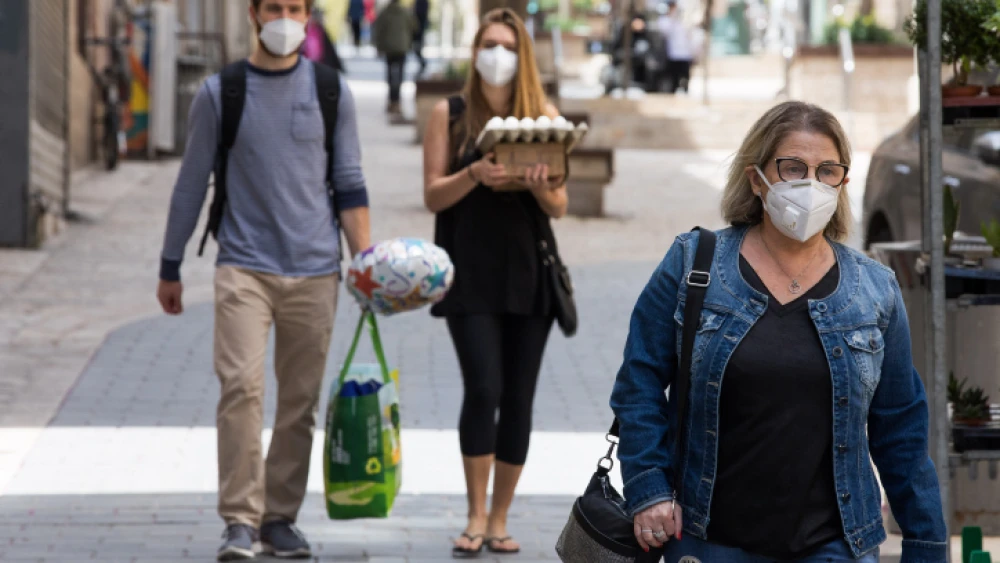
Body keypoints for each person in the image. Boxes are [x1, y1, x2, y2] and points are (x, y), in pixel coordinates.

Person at [609, 101, 947, 563]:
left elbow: (901, 429)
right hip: (709, 541)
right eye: (792, 168)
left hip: (833, 546)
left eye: (827, 170)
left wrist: (926, 545)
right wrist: (648, 489)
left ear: (843, 183)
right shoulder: (693, 266)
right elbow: (639, 383)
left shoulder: (874, 290)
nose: (810, 184)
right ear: (757, 178)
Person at [156, 0, 371, 560]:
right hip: (242, 267)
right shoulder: (219, 93)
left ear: (307, 15)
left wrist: (367, 266)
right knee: (242, 391)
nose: (284, 16)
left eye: (294, 7)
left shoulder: (331, 92)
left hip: (316, 271)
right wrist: (170, 264)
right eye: (273, 6)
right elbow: (190, 183)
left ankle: (279, 517)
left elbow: (349, 182)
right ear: (253, 13)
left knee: (298, 403)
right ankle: (239, 519)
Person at [421, 8, 568, 558]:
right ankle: (475, 512)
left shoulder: (542, 115)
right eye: (489, 44)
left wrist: (535, 184)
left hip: (529, 277)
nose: (497, 55)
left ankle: (501, 516)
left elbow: (559, 203)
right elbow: (433, 195)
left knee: (519, 397)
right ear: (475, 50)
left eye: (508, 46)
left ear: (522, 55)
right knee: (483, 388)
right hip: (468, 274)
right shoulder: (451, 114)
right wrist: (474, 175)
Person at [372, 0, 417, 116]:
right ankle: (397, 102)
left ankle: (391, 101)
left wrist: (378, 46)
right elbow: (414, 26)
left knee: (390, 74)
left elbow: (378, 29)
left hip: (389, 48)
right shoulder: (405, 12)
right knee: (400, 75)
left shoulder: (384, 12)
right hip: (402, 47)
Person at [656, 0, 697, 93]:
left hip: (685, 54)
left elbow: (691, 35)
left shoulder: (684, 21)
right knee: (674, 78)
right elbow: (665, 31)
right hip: (673, 54)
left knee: (685, 77)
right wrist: (672, 18)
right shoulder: (665, 20)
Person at [412, 0, 430, 77]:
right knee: (417, 50)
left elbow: (418, 16)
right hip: (419, 30)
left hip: (418, 30)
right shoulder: (423, 3)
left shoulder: (420, 3)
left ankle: (423, 64)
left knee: (417, 49)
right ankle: (423, 64)